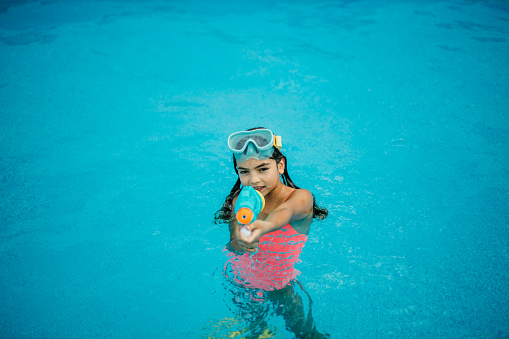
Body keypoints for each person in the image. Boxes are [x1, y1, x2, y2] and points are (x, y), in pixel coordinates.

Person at [215, 127, 329, 338]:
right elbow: (235, 245)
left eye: (263, 169)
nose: (254, 180)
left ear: (280, 165)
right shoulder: (239, 201)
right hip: (242, 281)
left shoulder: (301, 198)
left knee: (303, 332)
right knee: (254, 331)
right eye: (244, 172)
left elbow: (285, 212)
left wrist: (264, 226)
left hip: (282, 285)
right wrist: (241, 240)